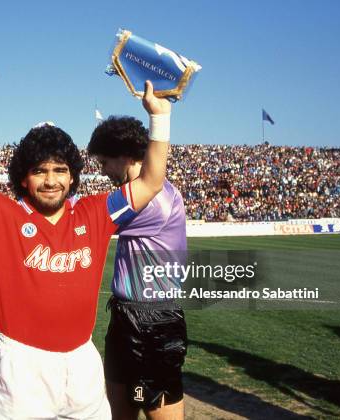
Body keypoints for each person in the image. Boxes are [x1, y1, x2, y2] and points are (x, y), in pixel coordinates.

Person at [0, 59, 172, 419]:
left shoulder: (97, 212)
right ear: (23, 178)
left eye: (60, 170)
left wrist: (160, 117)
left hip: (82, 364)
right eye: (39, 171)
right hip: (22, 368)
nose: (50, 180)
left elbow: (151, 181)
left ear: (73, 177)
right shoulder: (1, 216)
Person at [88, 116, 188, 420]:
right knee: (122, 408)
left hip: (153, 321)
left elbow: (88, 215)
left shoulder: (154, 200)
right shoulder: (139, 194)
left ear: (126, 156)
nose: (103, 170)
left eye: (105, 162)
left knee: (156, 410)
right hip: (126, 315)